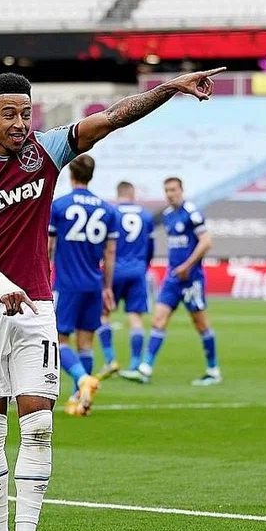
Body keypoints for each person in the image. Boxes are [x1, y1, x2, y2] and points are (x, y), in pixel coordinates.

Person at [0, 68, 223, 531]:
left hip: (37, 306)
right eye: (9, 113)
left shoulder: (45, 151)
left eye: (26, 112)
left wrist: (171, 88)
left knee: (41, 424)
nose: (20, 122)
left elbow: (113, 117)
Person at [47, 155, 117, 416]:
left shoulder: (60, 206)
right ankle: (81, 399)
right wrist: (108, 287)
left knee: (59, 340)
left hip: (67, 284)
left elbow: (48, 246)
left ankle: (81, 380)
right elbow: (110, 254)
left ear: (71, 174)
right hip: (94, 284)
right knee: (85, 343)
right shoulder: (107, 210)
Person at [134, 177, 220, 385]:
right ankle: (145, 368)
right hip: (173, 279)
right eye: (167, 190)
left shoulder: (191, 212)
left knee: (200, 324)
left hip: (192, 279)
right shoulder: (167, 215)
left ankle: (213, 370)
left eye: (173, 190)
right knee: (158, 320)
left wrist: (187, 266)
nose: (170, 194)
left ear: (181, 190)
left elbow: (206, 242)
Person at [96, 181, 155, 381]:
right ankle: (135, 363)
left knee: (104, 314)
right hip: (138, 271)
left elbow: (104, 244)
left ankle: (110, 360)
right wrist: (143, 266)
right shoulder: (146, 216)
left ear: (118, 193)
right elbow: (150, 247)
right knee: (135, 317)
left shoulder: (111, 213)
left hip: (115, 270)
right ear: (132, 193)